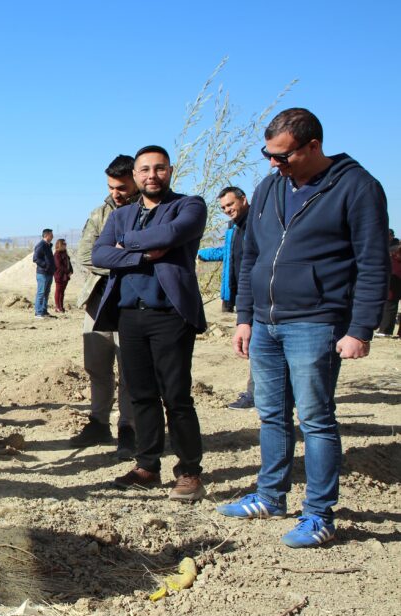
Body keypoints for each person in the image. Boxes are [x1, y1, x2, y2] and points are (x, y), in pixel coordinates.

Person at [218, 108, 389, 548]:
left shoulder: (357, 187)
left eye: (283, 155)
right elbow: (252, 257)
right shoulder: (270, 186)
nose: (274, 163)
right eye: (268, 155)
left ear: (313, 146)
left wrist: (361, 329)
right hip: (266, 323)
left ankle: (319, 514)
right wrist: (244, 317)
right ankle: (271, 496)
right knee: (271, 414)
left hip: (316, 322)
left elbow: (373, 263)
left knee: (314, 418)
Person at [92, 145, 208, 502]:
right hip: (129, 315)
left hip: (170, 315)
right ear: (136, 175)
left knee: (175, 396)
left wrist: (124, 245)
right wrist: (141, 252)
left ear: (170, 171)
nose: (151, 175)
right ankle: (147, 466)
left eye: (158, 169)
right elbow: (99, 253)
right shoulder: (121, 214)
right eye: (144, 170)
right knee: (140, 394)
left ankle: (189, 472)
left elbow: (173, 235)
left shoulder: (189, 205)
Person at [69, 155, 137, 458]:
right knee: (97, 366)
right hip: (97, 301)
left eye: (121, 187)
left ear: (135, 180)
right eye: (111, 187)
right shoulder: (100, 213)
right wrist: (126, 259)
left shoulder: (149, 211)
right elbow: (86, 256)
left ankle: (129, 428)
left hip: (134, 303)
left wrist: (110, 255)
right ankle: (98, 423)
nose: (115, 193)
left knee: (130, 369)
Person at [197, 186, 255, 409]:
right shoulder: (234, 227)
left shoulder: (259, 224)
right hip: (241, 293)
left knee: (258, 346)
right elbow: (229, 253)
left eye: (230, 204)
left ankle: (256, 394)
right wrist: (201, 253)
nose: (227, 210)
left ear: (244, 199)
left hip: (259, 294)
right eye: (223, 207)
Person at [375, 245, 401, 337]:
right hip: (394, 281)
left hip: (395, 282)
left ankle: (385, 330)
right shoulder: (393, 254)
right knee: (390, 305)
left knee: (390, 306)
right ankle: (385, 330)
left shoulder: (393, 255)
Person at [32, 228, 55, 318]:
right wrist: (46, 265)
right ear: (46, 235)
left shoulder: (48, 245)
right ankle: (38, 312)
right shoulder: (41, 245)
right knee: (41, 293)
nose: (53, 236)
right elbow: (35, 258)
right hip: (42, 273)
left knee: (46, 293)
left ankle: (44, 311)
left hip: (49, 273)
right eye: (51, 234)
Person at [52, 239, 73, 313]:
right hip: (59, 275)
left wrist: (71, 271)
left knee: (62, 292)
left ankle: (61, 307)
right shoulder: (57, 254)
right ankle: (57, 307)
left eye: (65, 243)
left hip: (65, 276)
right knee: (58, 291)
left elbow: (68, 263)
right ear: (60, 245)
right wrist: (68, 272)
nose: (65, 245)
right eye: (64, 244)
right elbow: (59, 265)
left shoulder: (65, 253)